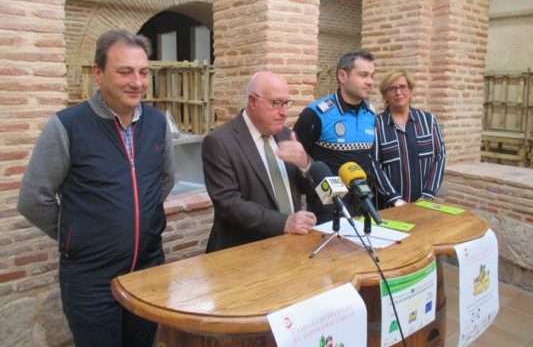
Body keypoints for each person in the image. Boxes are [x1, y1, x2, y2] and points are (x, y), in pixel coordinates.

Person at [17, 30, 176, 347]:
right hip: (90, 279)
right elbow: (34, 199)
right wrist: (77, 235)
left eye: (143, 72)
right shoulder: (68, 126)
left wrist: (141, 218)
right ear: (98, 74)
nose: (137, 82)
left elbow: (165, 180)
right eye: (125, 72)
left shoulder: (158, 123)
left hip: (147, 270)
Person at [202, 71, 317, 252]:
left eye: (286, 103)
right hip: (243, 251)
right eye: (276, 103)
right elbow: (228, 203)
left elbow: (309, 189)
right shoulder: (220, 141)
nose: (284, 112)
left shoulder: (286, 135)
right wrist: (283, 223)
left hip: (289, 246)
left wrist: (305, 164)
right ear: (253, 101)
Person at [293, 50, 376, 223]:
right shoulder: (315, 113)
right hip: (328, 209)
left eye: (372, 76)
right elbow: (297, 159)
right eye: (363, 75)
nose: (370, 82)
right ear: (342, 76)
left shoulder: (371, 113)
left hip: (363, 203)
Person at [370, 69, 446, 208]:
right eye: (392, 89)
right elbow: (374, 164)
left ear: (410, 91)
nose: (398, 92)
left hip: (423, 205)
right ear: (385, 94)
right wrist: (395, 198)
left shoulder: (428, 121)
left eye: (403, 87)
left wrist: (428, 195)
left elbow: (439, 156)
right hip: (389, 207)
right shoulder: (376, 124)